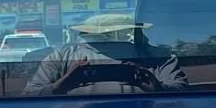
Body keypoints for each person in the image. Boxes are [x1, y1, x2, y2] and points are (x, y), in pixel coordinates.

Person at [24, 13, 188, 96]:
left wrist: (157, 88)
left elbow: (183, 92)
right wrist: (62, 84)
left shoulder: (157, 57)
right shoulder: (63, 56)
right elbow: (30, 95)